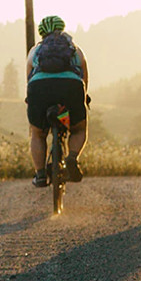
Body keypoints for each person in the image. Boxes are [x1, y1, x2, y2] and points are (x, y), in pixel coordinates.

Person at [26, 15, 89, 187]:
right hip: (71, 87)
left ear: (41, 33)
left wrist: (31, 100)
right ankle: (72, 158)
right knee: (78, 129)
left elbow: (29, 77)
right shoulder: (74, 49)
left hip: (39, 88)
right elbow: (83, 74)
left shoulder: (35, 51)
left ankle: (39, 175)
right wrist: (84, 97)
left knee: (38, 133)